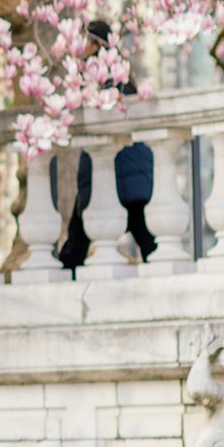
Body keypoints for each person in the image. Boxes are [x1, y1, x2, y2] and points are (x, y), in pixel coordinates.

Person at [57, 20, 154, 269]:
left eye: (84, 42)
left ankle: (66, 276)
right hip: (129, 171)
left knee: (80, 236)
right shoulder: (120, 77)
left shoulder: (102, 79)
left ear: (95, 45)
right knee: (146, 236)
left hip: (116, 169)